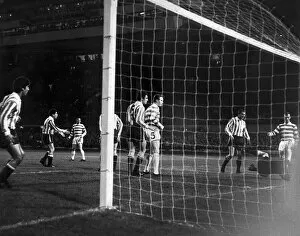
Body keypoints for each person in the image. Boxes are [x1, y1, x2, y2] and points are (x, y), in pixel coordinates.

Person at [0, 76, 30, 188]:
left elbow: (2, 109)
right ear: (22, 88)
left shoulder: (10, 97)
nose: (28, 89)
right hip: (6, 130)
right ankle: (1, 179)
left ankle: (2, 178)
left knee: (20, 155)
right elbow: (2, 117)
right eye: (27, 87)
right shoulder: (14, 100)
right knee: (17, 157)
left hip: (10, 129)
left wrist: (15, 117)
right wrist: (6, 134)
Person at [126, 91, 152, 176]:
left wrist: (131, 126)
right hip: (138, 128)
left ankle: (130, 172)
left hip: (130, 129)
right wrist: (146, 126)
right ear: (142, 98)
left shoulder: (130, 106)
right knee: (142, 149)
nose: (147, 100)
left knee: (131, 150)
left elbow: (128, 120)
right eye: (146, 98)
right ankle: (136, 171)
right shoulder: (141, 107)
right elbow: (138, 120)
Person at [267, 112, 299, 180]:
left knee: (287, 158)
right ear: (284, 118)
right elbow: (275, 132)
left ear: (290, 117)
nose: (286, 118)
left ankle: (287, 173)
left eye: (287, 117)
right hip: (282, 142)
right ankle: (283, 173)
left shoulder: (293, 126)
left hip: (290, 141)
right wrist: (270, 133)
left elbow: (296, 136)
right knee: (282, 159)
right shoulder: (280, 125)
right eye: (285, 117)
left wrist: (296, 144)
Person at [221, 109, 250, 173]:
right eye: (242, 114)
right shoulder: (233, 119)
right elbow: (226, 128)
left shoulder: (243, 122)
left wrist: (248, 137)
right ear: (239, 114)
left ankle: (238, 170)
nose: (243, 116)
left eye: (244, 114)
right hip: (233, 138)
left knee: (240, 155)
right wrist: (230, 134)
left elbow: (245, 130)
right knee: (231, 155)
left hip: (240, 139)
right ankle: (223, 166)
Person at [142, 94, 164, 176]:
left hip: (148, 130)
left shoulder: (149, 107)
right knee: (156, 151)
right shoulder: (155, 107)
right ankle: (155, 171)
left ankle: (146, 169)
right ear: (157, 100)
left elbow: (145, 118)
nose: (162, 102)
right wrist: (160, 125)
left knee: (151, 151)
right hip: (153, 129)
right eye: (161, 100)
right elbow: (152, 118)